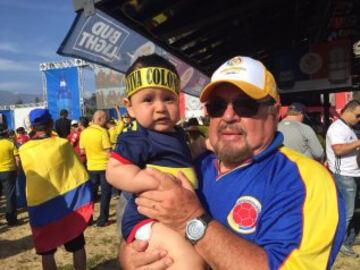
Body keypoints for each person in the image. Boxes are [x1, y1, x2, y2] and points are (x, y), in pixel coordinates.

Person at [119, 56, 346, 270]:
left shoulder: (304, 180)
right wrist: (130, 256)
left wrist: (191, 221)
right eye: (217, 106)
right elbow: (140, 223)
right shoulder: (191, 162)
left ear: (275, 112)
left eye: (245, 105)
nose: (228, 116)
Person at [106, 54, 205, 269]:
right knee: (191, 261)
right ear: (130, 107)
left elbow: (183, 159)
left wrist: (203, 146)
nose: (160, 107)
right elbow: (114, 170)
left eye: (168, 99)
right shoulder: (137, 135)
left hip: (170, 216)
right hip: (147, 219)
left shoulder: (177, 133)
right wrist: (152, 181)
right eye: (148, 99)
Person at [19, 108, 93, 270]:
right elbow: (77, 172)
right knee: (77, 245)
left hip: (41, 205)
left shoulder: (23, 150)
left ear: (32, 127)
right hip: (68, 203)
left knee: (46, 251)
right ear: (50, 123)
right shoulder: (62, 144)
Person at [326, 99, 360, 257]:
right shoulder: (337, 128)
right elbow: (338, 150)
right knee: (346, 212)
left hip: (352, 173)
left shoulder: (348, 128)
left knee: (351, 210)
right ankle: (340, 243)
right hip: (344, 175)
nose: (359, 119)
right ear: (347, 111)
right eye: (358, 115)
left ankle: (348, 238)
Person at [79, 110, 112, 227]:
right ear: (100, 119)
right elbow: (108, 151)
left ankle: (88, 219)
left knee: (91, 194)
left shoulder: (84, 133)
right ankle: (103, 219)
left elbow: (82, 151)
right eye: (105, 120)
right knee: (105, 193)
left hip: (91, 167)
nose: (106, 122)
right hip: (104, 166)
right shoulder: (103, 132)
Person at [0, 123, 19, 226]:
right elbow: (17, 158)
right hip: (8, 171)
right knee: (10, 195)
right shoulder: (10, 143)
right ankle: (11, 220)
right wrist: (17, 169)